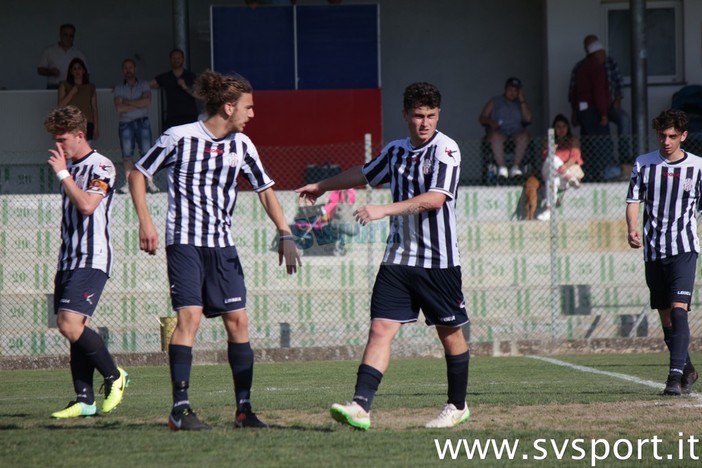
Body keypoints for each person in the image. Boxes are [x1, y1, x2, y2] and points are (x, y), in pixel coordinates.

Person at [129, 70, 300, 431]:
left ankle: (244, 410)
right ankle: (180, 410)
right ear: (227, 106)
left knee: (239, 321)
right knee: (188, 317)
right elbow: (138, 174)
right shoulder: (180, 137)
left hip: (222, 246)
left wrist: (285, 232)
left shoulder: (243, 146)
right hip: (185, 242)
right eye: (248, 108)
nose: (252, 115)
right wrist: (146, 222)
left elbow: (265, 190)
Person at [297, 82, 471, 430]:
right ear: (406, 115)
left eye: (431, 116)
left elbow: (435, 199)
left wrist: (383, 210)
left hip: (437, 264)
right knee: (380, 329)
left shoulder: (446, 150)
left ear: (438, 116)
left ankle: (457, 405)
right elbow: (363, 173)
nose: (425, 123)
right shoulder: (395, 151)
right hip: (397, 261)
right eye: (419, 116)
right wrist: (322, 186)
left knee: (449, 334)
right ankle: (360, 407)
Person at [43, 105, 128, 419]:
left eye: (63, 139)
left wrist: (63, 174)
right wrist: (66, 172)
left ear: (80, 135)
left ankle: (115, 375)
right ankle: (85, 399)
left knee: (69, 323)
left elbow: (89, 206)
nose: (58, 146)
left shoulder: (101, 166)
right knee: (74, 328)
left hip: (92, 259)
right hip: (68, 260)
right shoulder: (71, 167)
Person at [626, 109, 700, 396]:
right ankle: (689, 370)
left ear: (682, 136)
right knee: (667, 318)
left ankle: (673, 377)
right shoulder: (644, 164)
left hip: (684, 249)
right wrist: (632, 228)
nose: (666, 141)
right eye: (662, 135)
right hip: (654, 250)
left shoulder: (698, 167)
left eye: (672, 136)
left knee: (680, 312)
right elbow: (633, 200)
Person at [569, 34, 631, 169]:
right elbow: (599, 93)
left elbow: (575, 93)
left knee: (589, 139)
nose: (604, 56)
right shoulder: (597, 67)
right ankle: (608, 170)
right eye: (602, 53)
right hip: (596, 108)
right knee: (601, 140)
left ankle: (591, 169)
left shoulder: (585, 66)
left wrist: (617, 101)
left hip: (594, 108)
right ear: (595, 53)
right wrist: (603, 113)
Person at [113, 58, 159, 194]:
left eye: (130, 67)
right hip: (125, 124)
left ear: (135, 69)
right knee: (127, 155)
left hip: (142, 122)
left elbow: (147, 102)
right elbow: (119, 108)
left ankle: (149, 182)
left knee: (146, 153)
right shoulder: (119, 87)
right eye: (125, 68)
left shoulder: (144, 84)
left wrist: (127, 102)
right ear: (122, 70)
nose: (128, 70)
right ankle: (128, 184)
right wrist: (138, 102)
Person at [478, 77, 532, 179]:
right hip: (499, 132)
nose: (512, 92)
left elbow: (528, 119)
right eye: (510, 89)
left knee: (524, 136)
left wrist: (521, 100)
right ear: (505, 89)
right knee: (495, 136)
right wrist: (491, 122)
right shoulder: (495, 101)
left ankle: (515, 168)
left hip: (516, 132)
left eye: (515, 91)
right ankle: (502, 168)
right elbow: (482, 118)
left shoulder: (520, 103)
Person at [537, 114, 584, 221]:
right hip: (551, 170)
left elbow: (575, 157)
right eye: (558, 127)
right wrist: (551, 149)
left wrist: (564, 167)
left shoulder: (573, 140)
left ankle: (548, 211)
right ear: (554, 128)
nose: (561, 129)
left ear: (568, 128)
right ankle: (569, 178)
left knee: (552, 181)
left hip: (560, 177)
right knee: (552, 158)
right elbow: (546, 158)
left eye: (564, 126)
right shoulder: (549, 140)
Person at [150, 48, 199, 132]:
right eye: (174, 58)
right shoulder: (165, 77)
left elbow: (199, 94)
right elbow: (146, 85)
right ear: (170, 60)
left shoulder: (191, 76)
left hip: (190, 116)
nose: (176, 60)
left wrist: (185, 87)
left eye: (179, 58)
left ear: (183, 59)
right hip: (173, 116)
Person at [57, 58, 99, 142]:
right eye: (74, 69)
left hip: (87, 123)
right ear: (71, 71)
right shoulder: (64, 85)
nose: (77, 71)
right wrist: (71, 92)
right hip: (70, 123)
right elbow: (60, 106)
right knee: (71, 151)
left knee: (86, 151)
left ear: (84, 70)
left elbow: (94, 109)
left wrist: (96, 128)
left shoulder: (90, 87)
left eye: (79, 68)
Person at [37, 23, 87, 90]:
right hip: (54, 87)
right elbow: (40, 70)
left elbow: (86, 73)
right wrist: (50, 72)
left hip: (73, 87)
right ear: (60, 35)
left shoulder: (79, 54)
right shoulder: (49, 51)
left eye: (71, 36)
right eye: (65, 35)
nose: (68, 38)